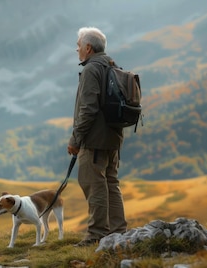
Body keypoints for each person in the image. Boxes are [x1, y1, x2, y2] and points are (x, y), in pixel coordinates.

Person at [67, 27, 127, 247]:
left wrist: (75, 139)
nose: (77, 49)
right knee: (111, 182)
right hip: (113, 137)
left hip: (94, 140)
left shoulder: (92, 69)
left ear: (88, 47)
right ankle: (119, 231)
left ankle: (97, 234)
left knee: (94, 185)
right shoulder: (111, 65)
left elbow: (88, 109)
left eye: (78, 45)